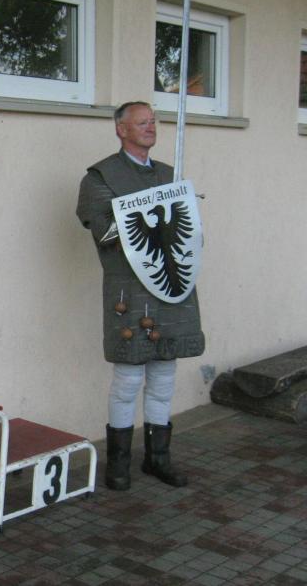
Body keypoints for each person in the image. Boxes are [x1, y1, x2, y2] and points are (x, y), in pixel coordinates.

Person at [76, 101, 204, 491]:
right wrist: (150, 206)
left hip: (172, 289)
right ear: (121, 129)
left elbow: (190, 234)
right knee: (128, 380)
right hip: (129, 290)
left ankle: (157, 458)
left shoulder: (170, 174)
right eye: (142, 122)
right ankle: (118, 463)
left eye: (153, 121)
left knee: (164, 377)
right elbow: (105, 232)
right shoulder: (100, 177)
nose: (151, 127)